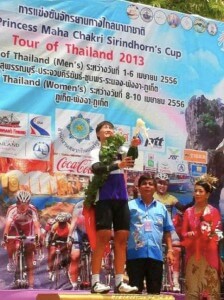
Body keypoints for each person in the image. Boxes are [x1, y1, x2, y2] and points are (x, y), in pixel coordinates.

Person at [87, 120, 139, 294]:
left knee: (122, 238)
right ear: (98, 134)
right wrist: (118, 165)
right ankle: (95, 281)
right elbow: (97, 168)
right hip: (104, 197)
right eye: (104, 128)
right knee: (102, 237)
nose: (108, 129)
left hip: (122, 197)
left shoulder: (121, 150)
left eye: (111, 127)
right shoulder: (96, 151)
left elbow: (131, 159)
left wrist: (133, 146)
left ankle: (119, 282)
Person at [126, 173, 174, 294]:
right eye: (144, 184)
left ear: (155, 188)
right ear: (138, 187)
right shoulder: (129, 206)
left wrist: (170, 250)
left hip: (156, 255)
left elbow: (167, 230)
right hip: (135, 255)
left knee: (154, 292)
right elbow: (122, 230)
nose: (147, 186)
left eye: (150, 184)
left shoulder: (162, 208)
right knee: (134, 291)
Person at [181, 174, 223, 299]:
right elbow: (183, 233)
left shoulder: (213, 211)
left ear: (208, 194)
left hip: (209, 254)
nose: (197, 194)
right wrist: (191, 234)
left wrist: (212, 234)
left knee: (211, 292)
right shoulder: (188, 212)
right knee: (192, 291)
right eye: (196, 191)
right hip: (193, 253)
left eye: (201, 191)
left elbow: (219, 232)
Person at [154, 172, 186, 292]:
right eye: (160, 183)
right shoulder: (151, 196)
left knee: (177, 248)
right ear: (156, 184)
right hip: (154, 228)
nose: (162, 186)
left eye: (165, 184)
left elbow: (183, 208)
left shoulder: (171, 198)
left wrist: (194, 201)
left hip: (168, 228)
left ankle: (175, 281)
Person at [3, 190, 41, 289]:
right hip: (15, 226)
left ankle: (31, 286)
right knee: (10, 239)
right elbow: (7, 225)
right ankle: (11, 260)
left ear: (29, 203)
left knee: (29, 255)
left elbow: (37, 226)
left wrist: (37, 239)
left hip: (28, 228)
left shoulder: (32, 210)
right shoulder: (12, 209)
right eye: (21, 205)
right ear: (17, 203)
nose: (23, 207)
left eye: (26, 204)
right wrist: (5, 237)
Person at [67, 200, 88, 290]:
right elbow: (74, 221)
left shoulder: (100, 203)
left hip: (92, 230)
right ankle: (74, 284)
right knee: (75, 256)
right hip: (79, 230)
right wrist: (70, 236)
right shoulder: (79, 205)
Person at [47, 212, 71, 281]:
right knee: (52, 253)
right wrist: (49, 243)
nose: (61, 224)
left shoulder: (69, 227)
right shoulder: (55, 225)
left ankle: (66, 266)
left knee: (67, 253)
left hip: (66, 239)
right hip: (56, 238)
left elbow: (70, 239)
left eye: (63, 223)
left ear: (66, 222)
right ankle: (50, 271)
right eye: (60, 223)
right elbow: (51, 236)